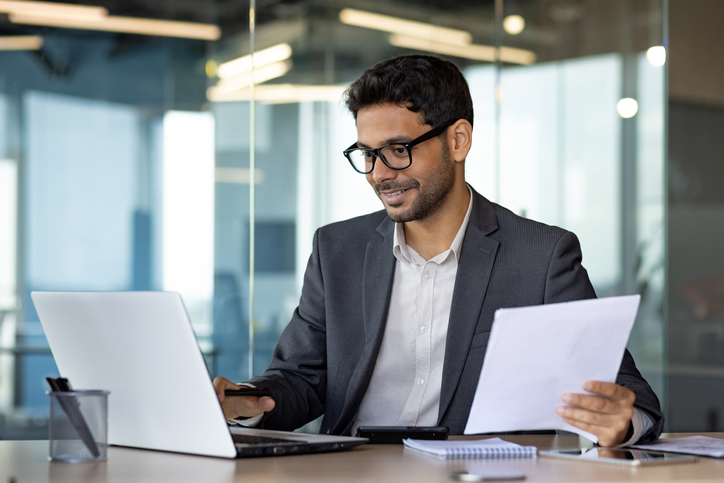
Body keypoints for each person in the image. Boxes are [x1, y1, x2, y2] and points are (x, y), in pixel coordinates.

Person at [214, 54, 664, 447]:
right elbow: (299, 379)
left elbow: (627, 392)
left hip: (471, 471)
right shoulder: (337, 250)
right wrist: (246, 401)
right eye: (367, 154)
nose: (379, 174)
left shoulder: (541, 255)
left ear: (458, 140)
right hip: (352, 467)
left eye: (397, 150)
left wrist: (621, 422)